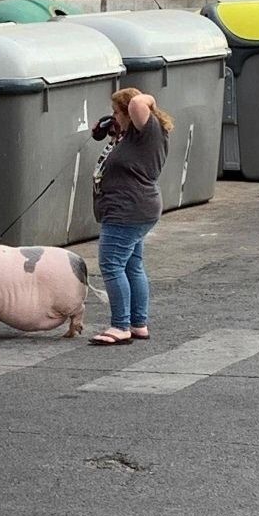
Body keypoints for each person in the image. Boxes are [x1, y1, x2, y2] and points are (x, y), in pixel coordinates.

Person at [89, 88, 173, 346]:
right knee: (131, 265)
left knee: (111, 264)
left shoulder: (149, 131)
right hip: (132, 207)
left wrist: (145, 101)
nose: (113, 116)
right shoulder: (131, 136)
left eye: (116, 112)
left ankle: (120, 325)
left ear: (130, 113)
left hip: (127, 210)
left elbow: (137, 101)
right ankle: (138, 323)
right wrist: (111, 129)